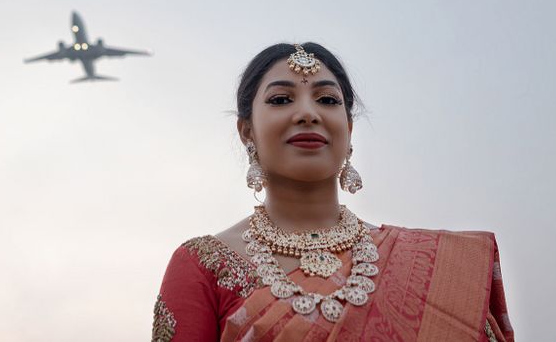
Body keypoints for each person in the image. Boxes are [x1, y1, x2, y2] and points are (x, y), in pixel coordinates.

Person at [152, 43, 514, 342]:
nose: (308, 113)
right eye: (281, 100)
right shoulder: (203, 266)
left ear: (349, 128)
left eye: (327, 100)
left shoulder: (439, 269)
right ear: (247, 131)